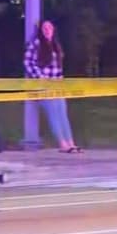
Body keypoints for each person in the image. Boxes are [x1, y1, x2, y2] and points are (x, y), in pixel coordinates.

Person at [25, 19, 82, 153]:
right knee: (54, 113)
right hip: (44, 86)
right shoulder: (36, 44)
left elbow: (57, 67)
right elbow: (28, 62)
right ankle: (63, 144)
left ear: (53, 30)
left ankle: (71, 143)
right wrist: (40, 77)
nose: (47, 30)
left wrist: (61, 79)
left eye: (50, 28)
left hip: (57, 85)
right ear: (41, 31)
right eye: (44, 28)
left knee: (62, 114)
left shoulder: (56, 45)